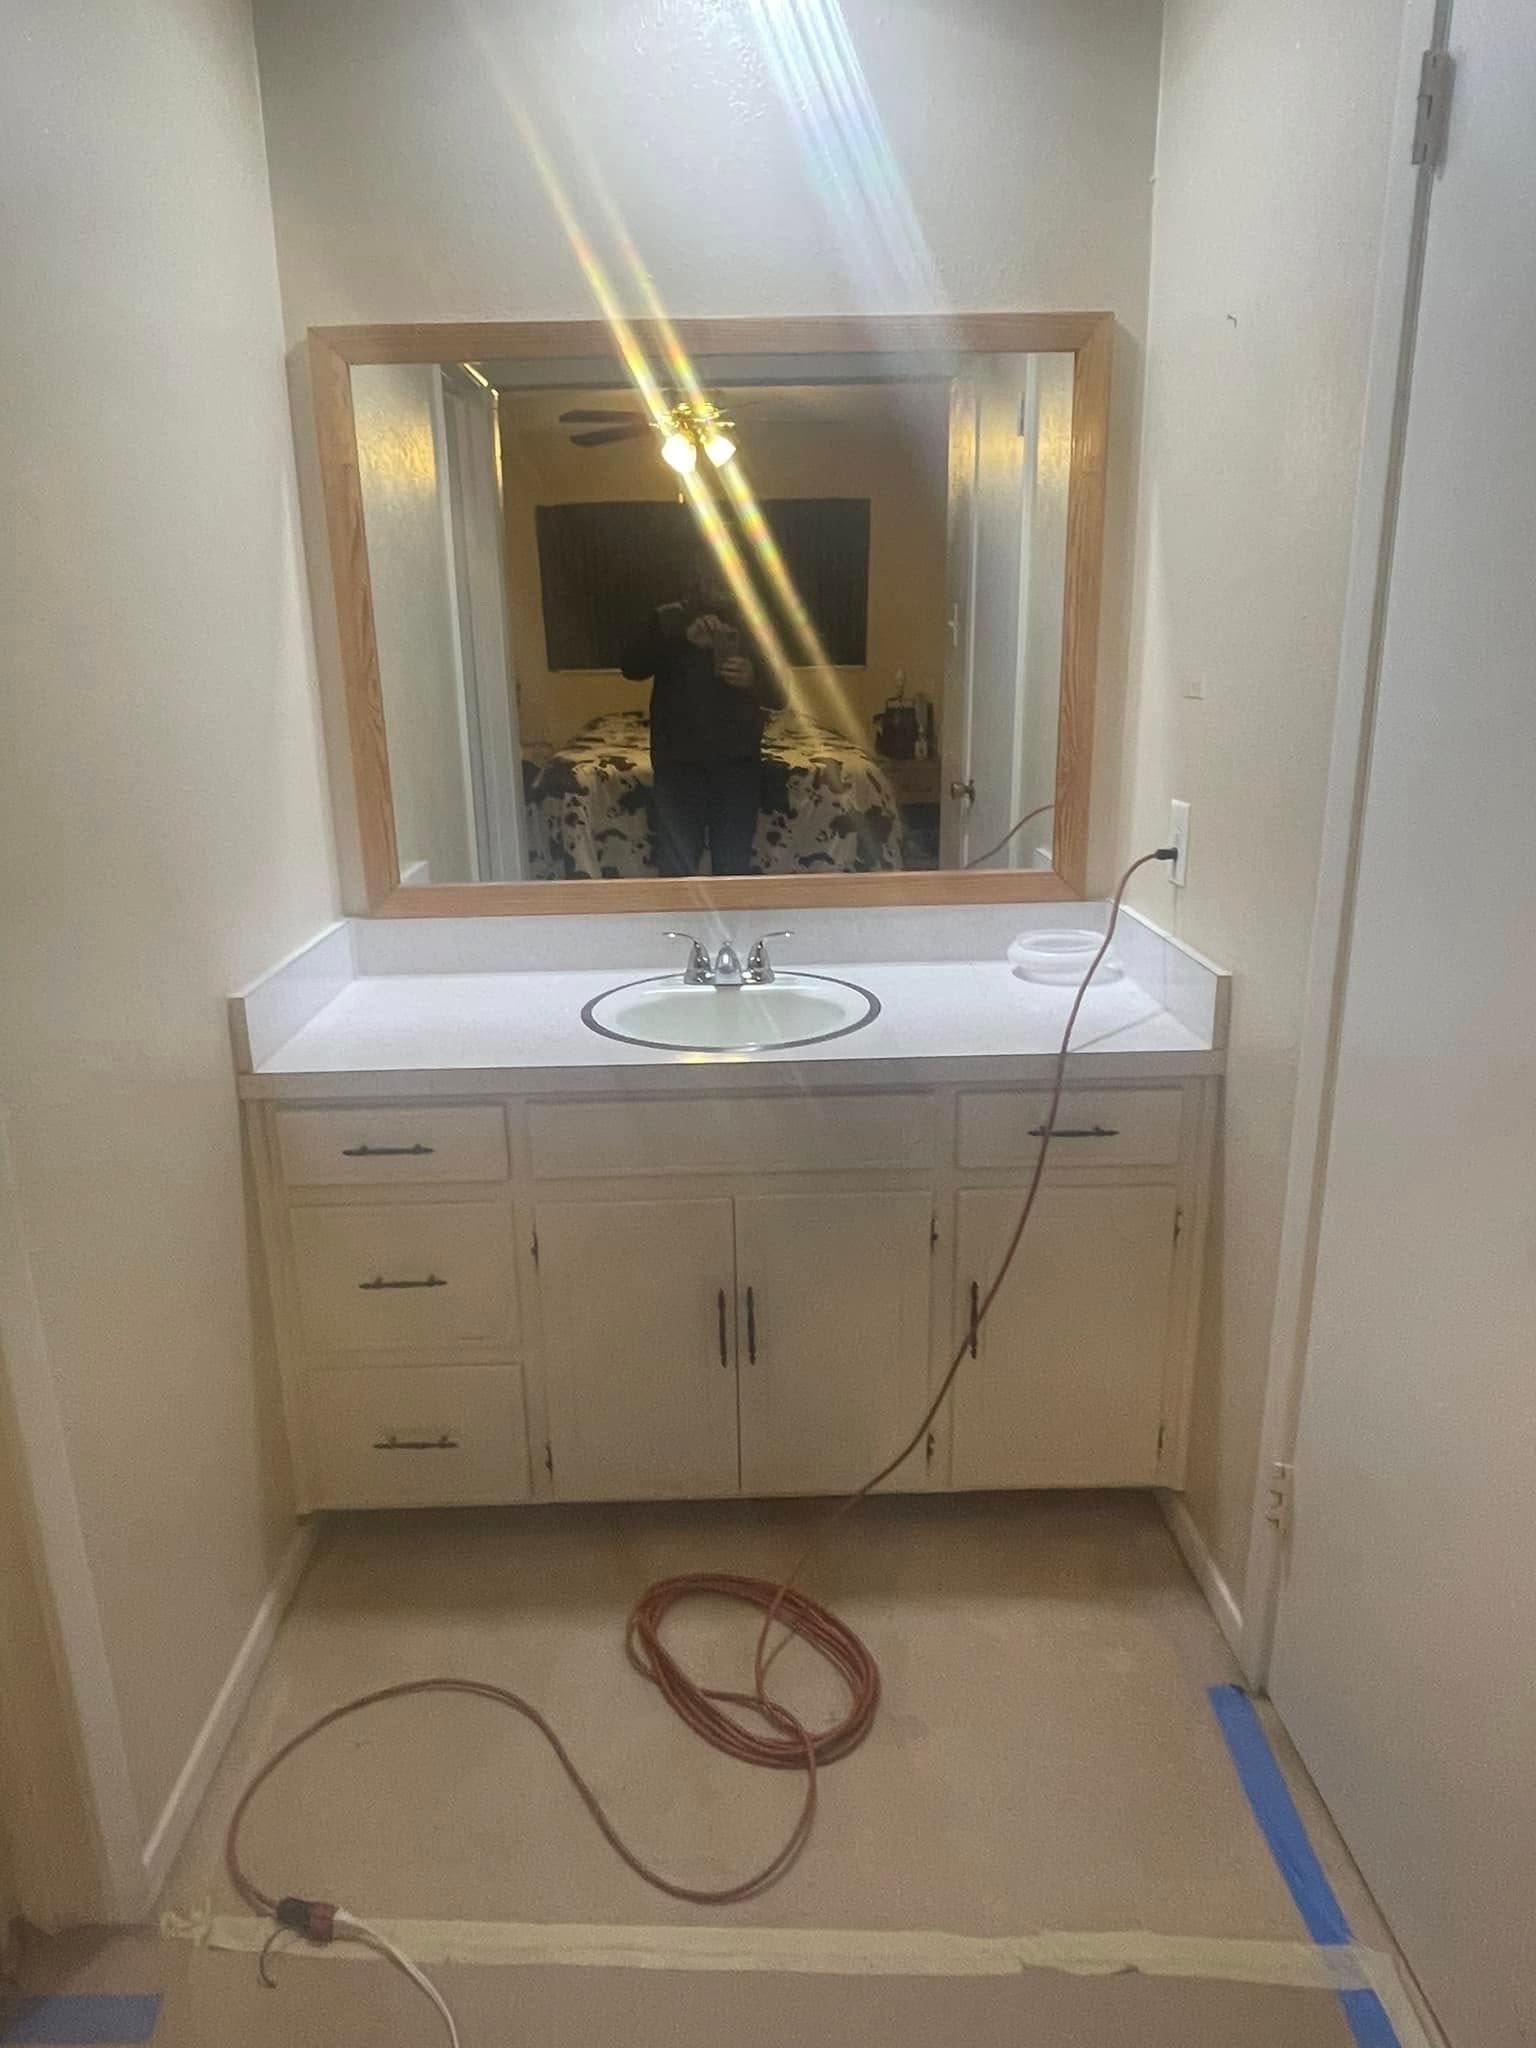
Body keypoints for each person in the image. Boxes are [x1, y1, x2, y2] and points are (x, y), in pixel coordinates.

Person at [620, 553, 787, 877]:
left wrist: (753, 678)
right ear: (697, 576)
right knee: (676, 873)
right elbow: (631, 666)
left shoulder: (756, 622)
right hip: (678, 767)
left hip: (737, 766)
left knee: (733, 869)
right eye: (713, 574)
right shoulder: (668, 619)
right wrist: (680, 636)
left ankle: (730, 916)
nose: (722, 583)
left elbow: (781, 697)